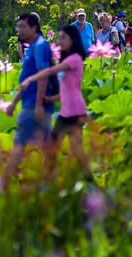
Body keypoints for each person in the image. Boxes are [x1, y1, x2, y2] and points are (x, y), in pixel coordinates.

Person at [19, 25, 90, 179]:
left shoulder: (75, 59)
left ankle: (88, 181)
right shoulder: (68, 58)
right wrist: (52, 98)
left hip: (75, 113)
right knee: (59, 148)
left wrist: (30, 79)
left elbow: (52, 71)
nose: (60, 41)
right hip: (67, 112)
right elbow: (70, 88)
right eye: (59, 37)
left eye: (63, 37)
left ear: (73, 39)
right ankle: (49, 180)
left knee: (72, 149)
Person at [0, 13, 55, 191]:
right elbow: (26, 80)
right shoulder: (31, 47)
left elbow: (43, 76)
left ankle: (2, 185)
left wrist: (38, 105)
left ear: (33, 27)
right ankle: (48, 185)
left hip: (35, 107)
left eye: (22, 27)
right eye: (18, 27)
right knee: (45, 146)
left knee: (21, 144)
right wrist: (14, 103)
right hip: (30, 104)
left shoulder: (39, 46)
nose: (19, 30)